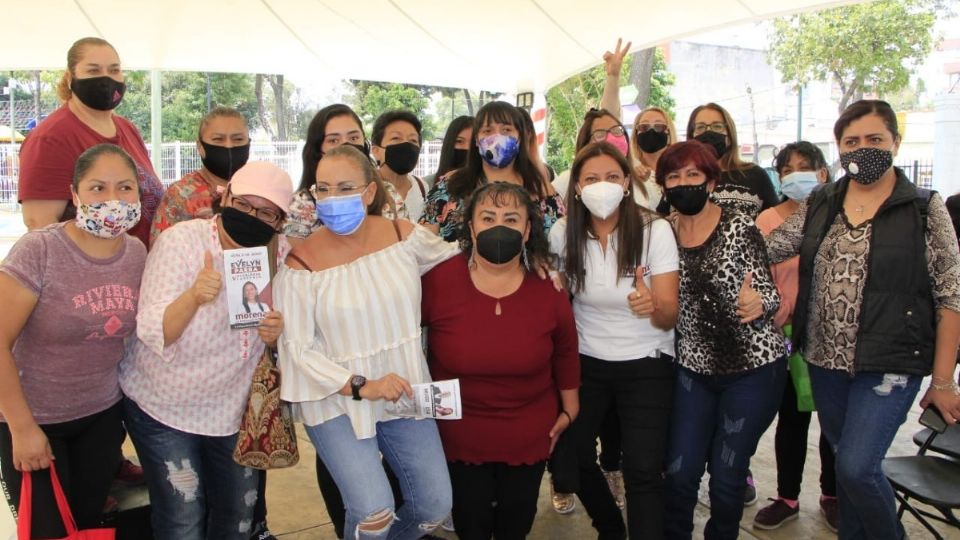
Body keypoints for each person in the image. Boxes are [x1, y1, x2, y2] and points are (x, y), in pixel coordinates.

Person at [765, 100, 960, 540]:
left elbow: (951, 297)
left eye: (874, 139)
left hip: (889, 362)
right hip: (824, 361)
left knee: (855, 468)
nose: (863, 149)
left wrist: (944, 380)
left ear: (895, 141)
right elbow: (768, 249)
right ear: (838, 148)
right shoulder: (822, 201)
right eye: (851, 141)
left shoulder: (926, 209)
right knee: (846, 463)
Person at [275, 144, 456, 540]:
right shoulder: (300, 264)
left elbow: (461, 266)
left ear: (370, 192)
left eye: (344, 187)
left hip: (403, 387)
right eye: (322, 189)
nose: (332, 198)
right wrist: (362, 385)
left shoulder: (403, 237)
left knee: (434, 505)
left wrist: (536, 266)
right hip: (335, 396)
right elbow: (297, 350)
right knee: (373, 511)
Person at [120, 161, 291, 539]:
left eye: (266, 212)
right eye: (244, 204)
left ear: (279, 221)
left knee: (239, 515)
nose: (252, 216)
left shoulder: (281, 255)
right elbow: (154, 330)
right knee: (183, 518)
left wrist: (277, 335)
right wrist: (194, 296)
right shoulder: (183, 241)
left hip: (232, 409)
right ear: (225, 197)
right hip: (165, 405)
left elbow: (288, 343)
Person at [0, 144, 147, 537]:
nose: (113, 200)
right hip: (35, 418)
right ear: (75, 194)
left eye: (125, 187)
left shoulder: (137, 253)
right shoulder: (41, 250)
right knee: (46, 531)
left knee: (88, 525)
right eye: (98, 188)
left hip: (100, 418)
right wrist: (22, 427)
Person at [422, 181, 580, 540]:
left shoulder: (548, 286)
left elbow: (566, 350)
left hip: (529, 433)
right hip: (458, 434)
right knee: (471, 524)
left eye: (511, 218)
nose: (499, 226)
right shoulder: (438, 281)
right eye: (488, 217)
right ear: (471, 226)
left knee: (516, 523)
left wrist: (570, 411)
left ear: (527, 231)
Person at [549, 142, 679, 539]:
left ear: (626, 183)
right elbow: (557, 297)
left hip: (647, 360)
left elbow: (669, 313)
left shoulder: (654, 229)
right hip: (588, 359)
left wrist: (651, 305)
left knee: (643, 470)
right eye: (590, 179)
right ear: (576, 188)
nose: (600, 186)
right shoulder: (562, 233)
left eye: (610, 177)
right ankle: (610, 528)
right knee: (571, 457)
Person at [658, 140, 786, 540]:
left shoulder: (739, 227)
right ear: (663, 186)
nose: (684, 184)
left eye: (693, 175)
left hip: (752, 369)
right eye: (674, 177)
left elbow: (769, 292)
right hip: (693, 369)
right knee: (679, 473)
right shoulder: (660, 235)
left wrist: (758, 302)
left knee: (727, 478)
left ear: (711, 181)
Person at [752, 141, 838, 532]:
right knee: (793, 417)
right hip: (783, 334)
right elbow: (759, 278)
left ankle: (832, 494)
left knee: (835, 419)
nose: (796, 173)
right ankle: (787, 496)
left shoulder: (837, 215)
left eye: (805, 166)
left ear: (823, 172)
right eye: (788, 168)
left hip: (833, 334)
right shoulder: (768, 219)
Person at [17, 37, 164, 248]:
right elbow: (39, 225)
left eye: (114, 70)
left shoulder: (127, 128)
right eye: (93, 71)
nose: (106, 79)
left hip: (140, 266)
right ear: (70, 78)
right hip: (90, 274)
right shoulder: (50, 138)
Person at [421, 101, 564, 243]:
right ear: (476, 140)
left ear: (519, 138)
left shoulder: (541, 191)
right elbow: (423, 241)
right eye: (487, 131)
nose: (496, 138)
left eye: (506, 130)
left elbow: (558, 246)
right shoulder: (449, 186)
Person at [284, 104, 406, 246]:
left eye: (354, 138)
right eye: (334, 140)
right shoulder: (301, 205)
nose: (346, 146)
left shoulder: (388, 193)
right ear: (318, 151)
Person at [151, 106, 251, 245]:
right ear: (200, 147)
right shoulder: (180, 196)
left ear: (248, 143)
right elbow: (160, 253)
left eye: (238, 139)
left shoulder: (261, 193)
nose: (229, 146)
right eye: (218, 139)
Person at [684, 102, 778, 217]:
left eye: (717, 126)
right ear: (691, 136)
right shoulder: (681, 178)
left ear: (730, 135)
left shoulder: (756, 175)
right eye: (700, 127)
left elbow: (775, 223)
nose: (708, 132)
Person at [552, 108, 655, 210]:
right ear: (585, 143)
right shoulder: (568, 178)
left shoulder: (639, 179)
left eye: (617, 130)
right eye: (600, 134)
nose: (612, 138)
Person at [371, 110, 427, 222]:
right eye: (396, 138)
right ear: (376, 151)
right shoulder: (367, 187)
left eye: (413, 140)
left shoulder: (422, 187)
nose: (406, 144)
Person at [423, 115, 474, 191]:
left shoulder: (488, 185)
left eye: (474, 142)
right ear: (449, 144)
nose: (467, 147)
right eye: (459, 141)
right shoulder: (425, 185)